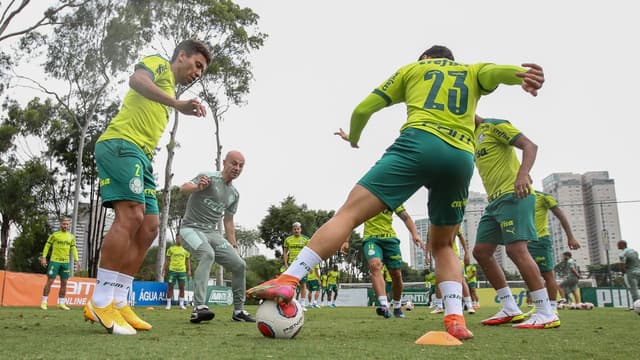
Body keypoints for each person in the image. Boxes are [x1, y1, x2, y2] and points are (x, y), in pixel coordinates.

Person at [248, 45, 545, 340]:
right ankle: (455, 318)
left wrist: (354, 138)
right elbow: (498, 72)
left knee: (349, 214)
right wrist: (524, 75)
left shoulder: (413, 69)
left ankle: (290, 278)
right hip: (460, 157)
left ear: (427, 58)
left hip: (417, 145)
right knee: (443, 245)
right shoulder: (471, 70)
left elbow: (363, 109)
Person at [84, 39, 212, 335]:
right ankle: (101, 300)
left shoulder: (170, 92)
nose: (198, 74)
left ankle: (120, 299)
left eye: (202, 71)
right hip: (120, 144)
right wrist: (177, 104)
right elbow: (136, 80)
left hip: (142, 155)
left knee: (151, 226)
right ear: (182, 56)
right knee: (131, 216)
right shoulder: (159, 65)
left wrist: (176, 103)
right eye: (197, 66)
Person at [472, 114, 559, 329]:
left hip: (514, 194)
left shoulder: (492, 125)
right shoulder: (469, 137)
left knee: (515, 250)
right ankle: (510, 308)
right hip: (494, 202)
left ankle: (546, 312)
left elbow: (530, 145)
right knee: (481, 252)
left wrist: (523, 173)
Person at [178, 150, 255, 324]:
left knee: (240, 265)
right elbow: (183, 188)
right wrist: (198, 187)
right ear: (224, 162)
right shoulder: (208, 177)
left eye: (241, 166)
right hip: (190, 229)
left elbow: (228, 222)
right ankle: (198, 308)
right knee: (207, 254)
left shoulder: (234, 194)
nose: (237, 168)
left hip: (212, 233)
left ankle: (239, 311)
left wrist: (234, 246)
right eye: (234, 163)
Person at [524, 190, 580, 316]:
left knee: (547, 274)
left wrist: (570, 237)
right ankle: (539, 306)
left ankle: (553, 307)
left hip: (540, 240)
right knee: (531, 276)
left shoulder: (542, 197)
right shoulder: (516, 198)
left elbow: (560, 215)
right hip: (524, 243)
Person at [363, 205, 422, 318]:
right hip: (371, 239)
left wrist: (415, 234)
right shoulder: (366, 198)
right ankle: (384, 305)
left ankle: (397, 306)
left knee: (396, 274)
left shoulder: (391, 197)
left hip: (390, 240)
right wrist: (345, 240)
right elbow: (353, 218)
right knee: (375, 266)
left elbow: (406, 217)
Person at [426, 229, 475, 315]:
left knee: (462, 280)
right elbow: (428, 241)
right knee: (438, 281)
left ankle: (469, 306)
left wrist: (466, 252)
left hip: (454, 256)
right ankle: (439, 306)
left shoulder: (452, 223)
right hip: (439, 257)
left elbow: (461, 237)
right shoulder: (433, 226)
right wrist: (426, 254)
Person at [40, 217, 79, 311]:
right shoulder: (54, 235)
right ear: (60, 224)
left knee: (64, 283)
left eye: (67, 224)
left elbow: (73, 248)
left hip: (65, 262)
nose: (65, 226)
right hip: (55, 261)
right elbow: (47, 246)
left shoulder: (71, 236)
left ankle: (61, 303)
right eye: (64, 224)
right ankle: (44, 302)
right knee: (50, 281)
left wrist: (77, 260)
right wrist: (44, 257)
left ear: (68, 225)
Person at [283, 222, 310, 309]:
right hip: (292, 264)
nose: (296, 230)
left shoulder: (306, 239)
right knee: (291, 284)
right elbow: (285, 253)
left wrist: (308, 264)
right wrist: (286, 264)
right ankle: (291, 302)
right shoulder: (288, 240)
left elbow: (309, 252)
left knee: (303, 284)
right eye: (295, 229)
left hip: (302, 264)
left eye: (298, 229)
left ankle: (302, 304)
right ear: (292, 230)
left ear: (300, 229)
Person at [162, 234, 191, 310]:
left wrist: (189, 270)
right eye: (178, 238)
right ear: (176, 239)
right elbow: (167, 260)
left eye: (181, 239)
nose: (179, 240)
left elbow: (188, 261)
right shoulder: (171, 249)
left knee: (182, 287)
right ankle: (168, 304)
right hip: (172, 271)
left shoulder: (186, 250)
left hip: (182, 271)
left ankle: (181, 304)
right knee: (170, 287)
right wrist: (164, 269)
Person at [617, 240, 640, 309]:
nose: (617, 246)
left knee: (633, 290)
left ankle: (636, 306)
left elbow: (622, 264)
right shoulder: (634, 251)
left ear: (622, 245)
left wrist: (623, 272)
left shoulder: (623, 253)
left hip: (630, 272)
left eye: (618, 244)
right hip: (638, 271)